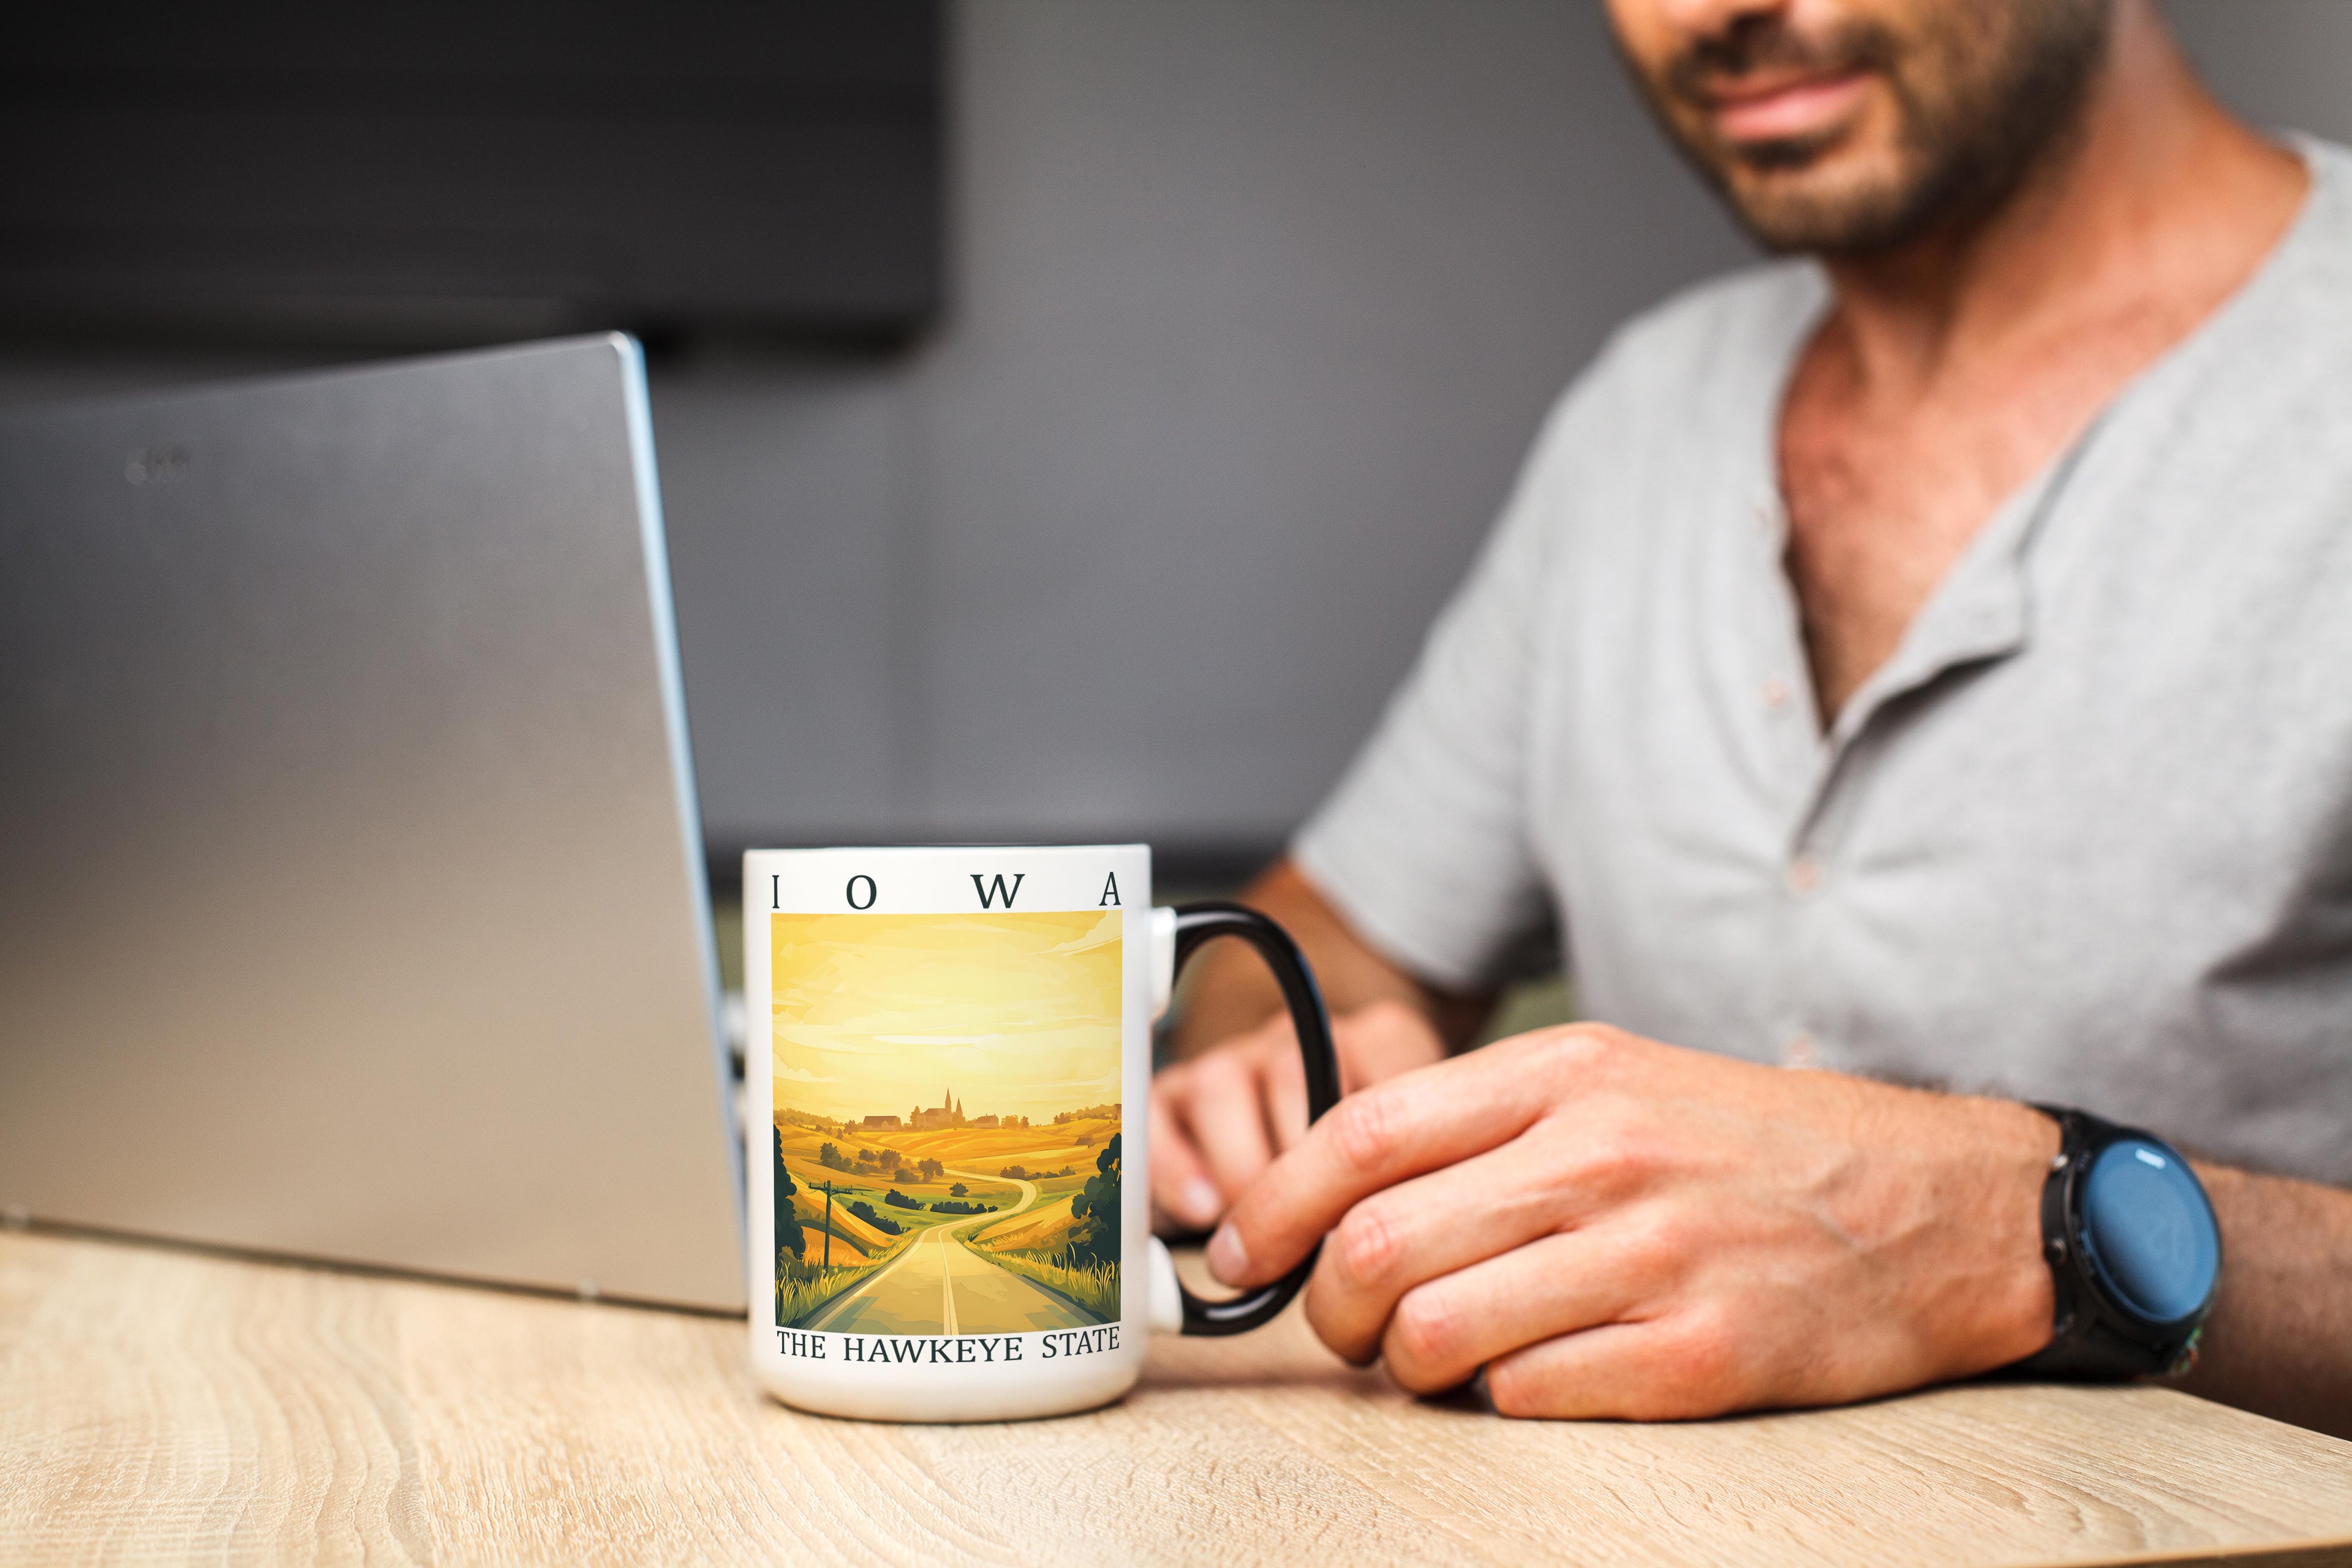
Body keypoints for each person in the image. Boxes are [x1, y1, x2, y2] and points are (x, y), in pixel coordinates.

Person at [1148, 0, 2352, 1436]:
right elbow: (1328, 937)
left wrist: (2012, 1229)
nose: (1716, 11)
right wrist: (1287, 1064)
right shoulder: (1642, 418)